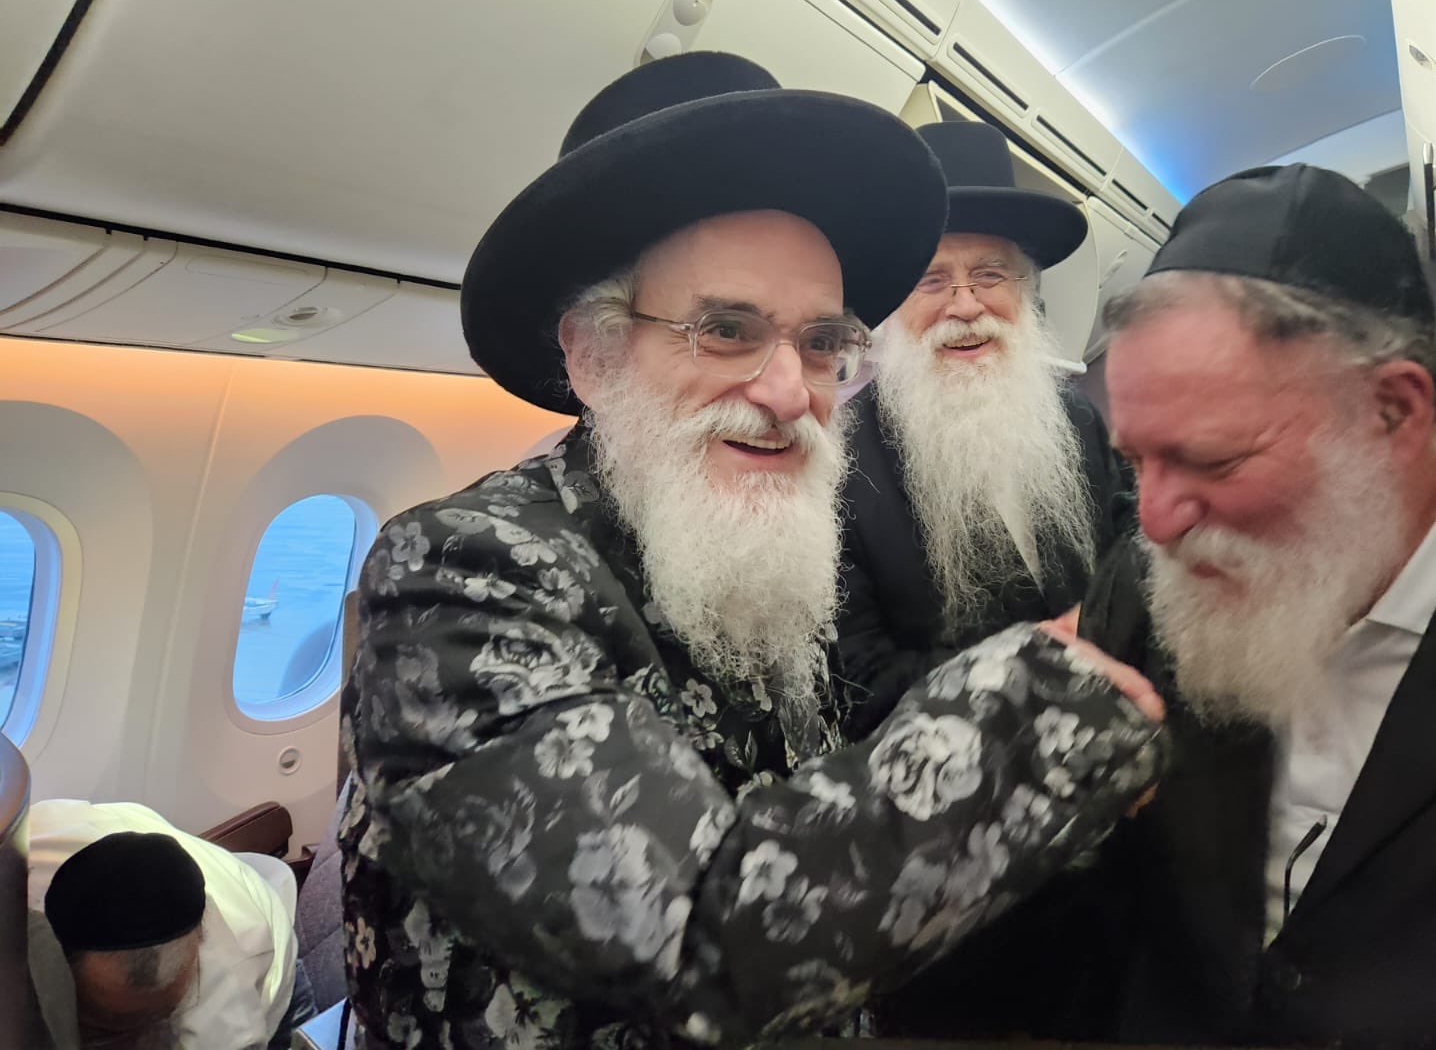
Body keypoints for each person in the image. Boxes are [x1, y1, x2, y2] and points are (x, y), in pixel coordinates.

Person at [338, 52, 1167, 1050]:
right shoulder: (459, 570)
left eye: (820, 344)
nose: (788, 392)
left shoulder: (760, 549)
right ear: (592, 355)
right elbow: (690, 927)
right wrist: (1046, 709)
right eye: (726, 330)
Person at [1073, 163, 1436, 1047]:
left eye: (1215, 460)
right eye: (1135, 460)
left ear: (1393, 410)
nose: (1155, 522)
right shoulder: (1146, 582)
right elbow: (1107, 912)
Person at [834, 119, 1131, 740]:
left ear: (1026, 292)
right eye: (931, 280)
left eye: (991, 275)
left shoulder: (1075, 418)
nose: (966, 305)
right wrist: (1043, 667)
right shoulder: (841, 466)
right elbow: (861, 681)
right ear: (890, 306)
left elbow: (1127, 547)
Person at [28, 800, 301, 1050]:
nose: (130, 1035)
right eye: (102, 1020)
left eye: (144, 1019)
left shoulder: (223, 1026)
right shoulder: (30, 845)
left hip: (271, 957)